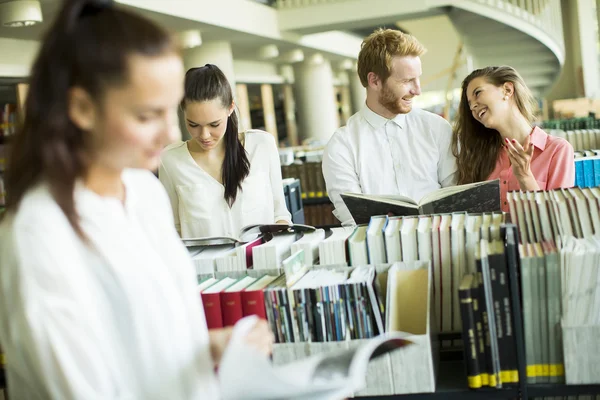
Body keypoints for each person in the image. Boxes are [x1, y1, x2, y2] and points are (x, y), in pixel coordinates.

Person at [0, 0, 272, 398]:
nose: (167, 134)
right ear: (82, 107)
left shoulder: (143, 192)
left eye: (169, 112)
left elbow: (149, 344)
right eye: (147, 115)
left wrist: (210, 348)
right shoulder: (38, 236)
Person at [322, 28, 457, 226]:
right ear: (374, 81)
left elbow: (456, 196)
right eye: (406, 81)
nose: (417, 90)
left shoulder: (437, 128)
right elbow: (353, 218)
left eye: (418, 78)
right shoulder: (342, 145)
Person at [159, 64, 291, 239]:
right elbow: (172, 229)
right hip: (202, 265)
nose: (204, 135)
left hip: (262, 261)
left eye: (214, 124)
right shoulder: (170, 159)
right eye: (193, 125)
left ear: (230, 108)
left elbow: (280, 215)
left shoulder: (261, 145)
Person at [451, 66, 575, 212]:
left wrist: (525, 177)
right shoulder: (480, 156)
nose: (473, 106)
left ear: (507, 90)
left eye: (477, 93)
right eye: (470, 104)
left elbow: (559, 220)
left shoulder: (557, 150)